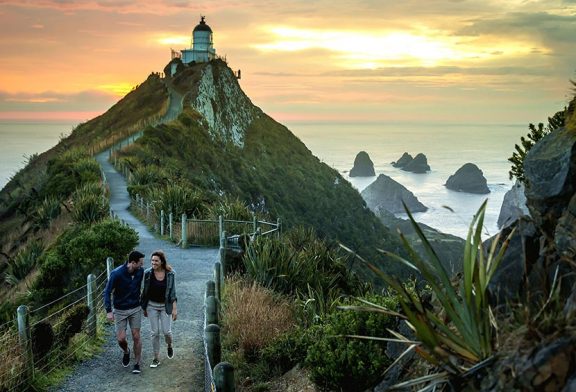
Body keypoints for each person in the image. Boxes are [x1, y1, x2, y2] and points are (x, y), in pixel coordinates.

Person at [103, 250, 145, 374]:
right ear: (133, 262)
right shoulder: (116, 274)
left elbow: (140, 287)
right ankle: (126, 351)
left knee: (136, 336)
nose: (142, 266)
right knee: (121, 339)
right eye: (140, 263)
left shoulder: (140, 272)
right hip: (120, 310)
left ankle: (137, 363)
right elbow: (107, 292)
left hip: (135, 308)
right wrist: (109, 311)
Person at [141, 250, 177, 368]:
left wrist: (174, 309)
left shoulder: (170, 274)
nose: (153, 263)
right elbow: (144, 291)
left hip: (165, 306)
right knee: (154, 332)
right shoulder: (147, 273)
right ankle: (156, 358)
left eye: (156, 260)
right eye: (152, 260)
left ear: (161, 262)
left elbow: (173, 293)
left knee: (167, 332)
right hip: (152, 306)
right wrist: (144, 307)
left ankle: (169, 345)